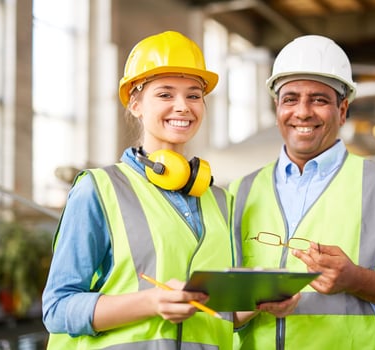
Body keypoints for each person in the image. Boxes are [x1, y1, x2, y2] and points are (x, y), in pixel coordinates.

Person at [229, 35, 375, 349]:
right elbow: (222, 295)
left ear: (343, 110)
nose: (302, 112)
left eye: (319, 99)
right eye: (290, 99)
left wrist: (356, 279)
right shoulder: (240, 191)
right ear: (277, 109)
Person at [42, 30, 237, 349]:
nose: (183, 107)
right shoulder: (99, 190)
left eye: (193, 95)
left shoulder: (220, 201)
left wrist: (260, 305)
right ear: (135, 103)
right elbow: (57, 308)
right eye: (165, 94)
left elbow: (219, 312)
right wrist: (151, 302)